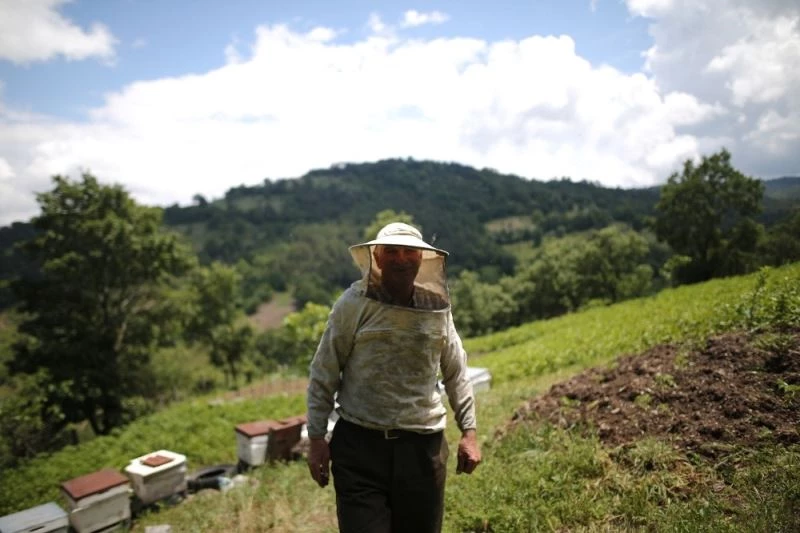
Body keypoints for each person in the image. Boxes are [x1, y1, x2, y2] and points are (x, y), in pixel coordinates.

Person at [306, 222, 481, 533]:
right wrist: (317, 438)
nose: (401, 259)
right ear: (378, 258)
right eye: (392, 251)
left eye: (409, 252)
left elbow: (456, 371)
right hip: (360, 447)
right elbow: (324, 371)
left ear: (422, 259)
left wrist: (469, 432)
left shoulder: (437, 308)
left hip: (423, 450)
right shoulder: (353, 305)